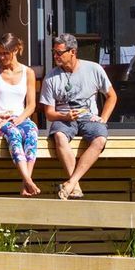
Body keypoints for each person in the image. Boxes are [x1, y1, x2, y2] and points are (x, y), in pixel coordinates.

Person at [40, 33, 118, 200]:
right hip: (64, 118)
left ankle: (71, 182)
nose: (55, 56)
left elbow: (112, 96)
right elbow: (49, 113)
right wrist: (65, 116)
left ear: (73, 52)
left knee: (100, 139)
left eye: (59, 52)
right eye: (54, 52)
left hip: (89, 117)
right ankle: (75, 186)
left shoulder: (94, 69)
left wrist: (103, 118)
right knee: (59, 136)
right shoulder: (51, 77)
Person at [0, 33, 41, 197]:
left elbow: (31, 105)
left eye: (5, 53)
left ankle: (25, 181)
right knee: (14, 134)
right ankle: (29, 181)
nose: (2, 57)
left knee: (31, 132)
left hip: (19, 118)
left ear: (16, 50)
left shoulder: (28, 73)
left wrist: (19, 119)